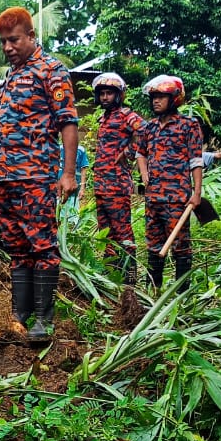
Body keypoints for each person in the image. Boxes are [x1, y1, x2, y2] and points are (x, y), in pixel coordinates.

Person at [0, 7, 78, 344]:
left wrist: (68, 173)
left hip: (36, 177)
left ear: (31, 36)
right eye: (3, 41)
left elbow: (68, 123)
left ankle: (43, 318)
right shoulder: (13, 76)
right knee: (17, 246)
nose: (7, 47)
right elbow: (13, 123)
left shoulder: (51, 71)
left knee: (41, 246)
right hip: (6, 177)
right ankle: (20, 313)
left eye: (14, 40)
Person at [136, 74, 202, 291]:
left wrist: (197, 193)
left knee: (180, 246)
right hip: (153, 198)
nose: (156, 101)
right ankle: (153, 291)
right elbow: (140, 153)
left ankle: (182, 293)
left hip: (177, 198)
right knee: (153, 244)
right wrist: (144, 173)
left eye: (161, 97)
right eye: (153, 97)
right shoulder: (149, 128)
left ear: (174, 99)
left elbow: (196, 160)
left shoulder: (188, 126)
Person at [89, 72, 147, 285]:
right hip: (101, 185)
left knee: (122, 231)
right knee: (106, 232)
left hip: (117, 185)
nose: (105, 97)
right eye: (102, 93)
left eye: (109, 93)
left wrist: (129, 152)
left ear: (119, 95)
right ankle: (111, 274)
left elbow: (146, 131)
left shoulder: (126, 116)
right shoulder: (103, 118)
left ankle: (130, 277)